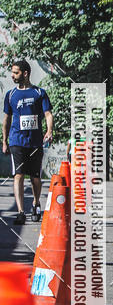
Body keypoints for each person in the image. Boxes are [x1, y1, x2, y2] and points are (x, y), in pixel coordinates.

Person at [2, 59, 52, 224]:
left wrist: (49, 130)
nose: (12, 75)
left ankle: (36, 204)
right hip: (17, 141)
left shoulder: (39, 93)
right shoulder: (10, 95)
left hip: (35, 142)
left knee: (35, 177)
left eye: (16, 72)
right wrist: (4, 140)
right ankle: (21, 212)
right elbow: (7, 119)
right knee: (18, 175)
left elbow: (48, 114)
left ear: (25, 73)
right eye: (12, 72)